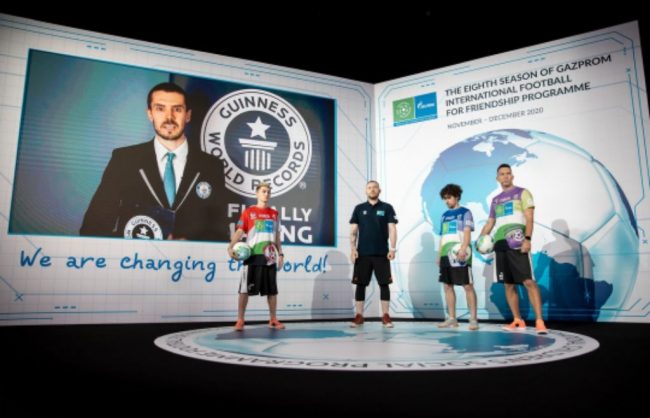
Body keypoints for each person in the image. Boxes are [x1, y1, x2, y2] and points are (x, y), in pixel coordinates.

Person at [80, 82, 227, 241]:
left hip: (190, 257)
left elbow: (219, 232)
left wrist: (190, 245)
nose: (169, 117)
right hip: (136, 256)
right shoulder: (124, 160)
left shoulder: (212, 166)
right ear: (150, 114)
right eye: (160, 109)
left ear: (188, 115)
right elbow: (93, 227)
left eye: (177, 109)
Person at [478, 164, 548, 334]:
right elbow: (490, 222)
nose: (505, 176)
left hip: (517, 242)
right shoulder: (495, 200)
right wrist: (480, 239)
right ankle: (518, 320)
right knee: (508, 284)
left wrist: (528, 239)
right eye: (502, 174)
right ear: (498, 178)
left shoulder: (523, 193)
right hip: (500, 244)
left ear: (512, 176)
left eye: (508, 173)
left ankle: (539, 321)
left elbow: (529, 218)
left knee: (528, 281)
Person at [228, 182, 285, 331]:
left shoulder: (274, 214)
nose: (266, 194)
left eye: (268, 192)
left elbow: (277, 236)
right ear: (257, 193)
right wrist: (230, 246)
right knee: (244, 290)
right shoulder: (249, 212)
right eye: (263, 191)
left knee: (272, 290)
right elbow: (240, 231)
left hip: (269, 257)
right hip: (252, 256)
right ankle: (240, 320)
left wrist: (280, 253)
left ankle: (273, 319)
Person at [349, 180, 398, 328]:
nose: (372, 190)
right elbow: (353, 231)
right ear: (366, 191)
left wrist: (392, 249)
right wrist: (353, 249)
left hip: (382, 253)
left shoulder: (387, 207)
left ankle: (386, 315)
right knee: (360, 285)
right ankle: (359, 315)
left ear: (379, 190)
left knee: (384, 284)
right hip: (362, 254)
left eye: (375, 187)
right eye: (369, 188)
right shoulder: (359, 208)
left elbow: (392, 229)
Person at [436, 184, 479, 330]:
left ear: (457, 197)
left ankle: (473, 319)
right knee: (447, 286)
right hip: (445, 254)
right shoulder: (444, 215)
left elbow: (467, 233)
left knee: (467, 286)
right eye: (444, 198)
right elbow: (442, 237)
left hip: (461, 253)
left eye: (449, 198)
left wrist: (463, 248)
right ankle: (452, 318)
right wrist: (439, 254)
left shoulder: (465, 212)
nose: (446, 201)